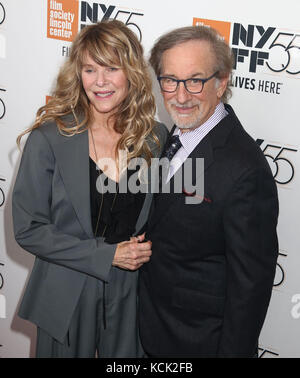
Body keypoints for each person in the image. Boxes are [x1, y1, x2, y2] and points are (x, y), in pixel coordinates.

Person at [12, 19, 167, 358]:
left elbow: (164, 215)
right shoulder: (49, 138)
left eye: (112, 68)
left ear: (132, 73)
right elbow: (29, 229)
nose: (100, 82)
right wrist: (106, 254)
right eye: (90, 69)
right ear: (77, 74)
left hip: (131, 292)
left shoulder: (153, 138)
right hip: (65, 290)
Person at [138, 25, 279, 358]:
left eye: (195, 80)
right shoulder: (166, 137)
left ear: (222, 81)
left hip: (197, 342)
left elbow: (250, 290)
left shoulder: (245, 170)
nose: (181, 95)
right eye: (170, 80)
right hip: (147, 327)